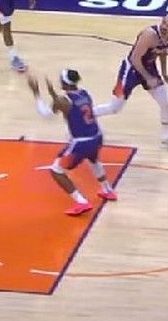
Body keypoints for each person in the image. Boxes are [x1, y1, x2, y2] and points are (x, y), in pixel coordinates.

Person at [28, 70, 118, 216]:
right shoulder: (85, 93)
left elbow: (47, 114)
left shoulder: (63, 101)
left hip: (81, 143)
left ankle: (81, 202)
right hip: (96, 136)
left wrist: (37, 93)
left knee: (56, 170)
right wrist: (53, 95)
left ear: (64, 83)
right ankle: (107, 189)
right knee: (94, 160)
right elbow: (71, 106)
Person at [93, 14, 168, 153]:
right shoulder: (150, 34)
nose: (165, 26)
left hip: (148, 67)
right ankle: (85, 116)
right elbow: (134, 58)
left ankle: (167, 138)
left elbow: (163, 52)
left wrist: (164, 72)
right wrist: (148, 78)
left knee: (164, 102)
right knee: (114, 107)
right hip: (130, 70)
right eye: (164, 22)